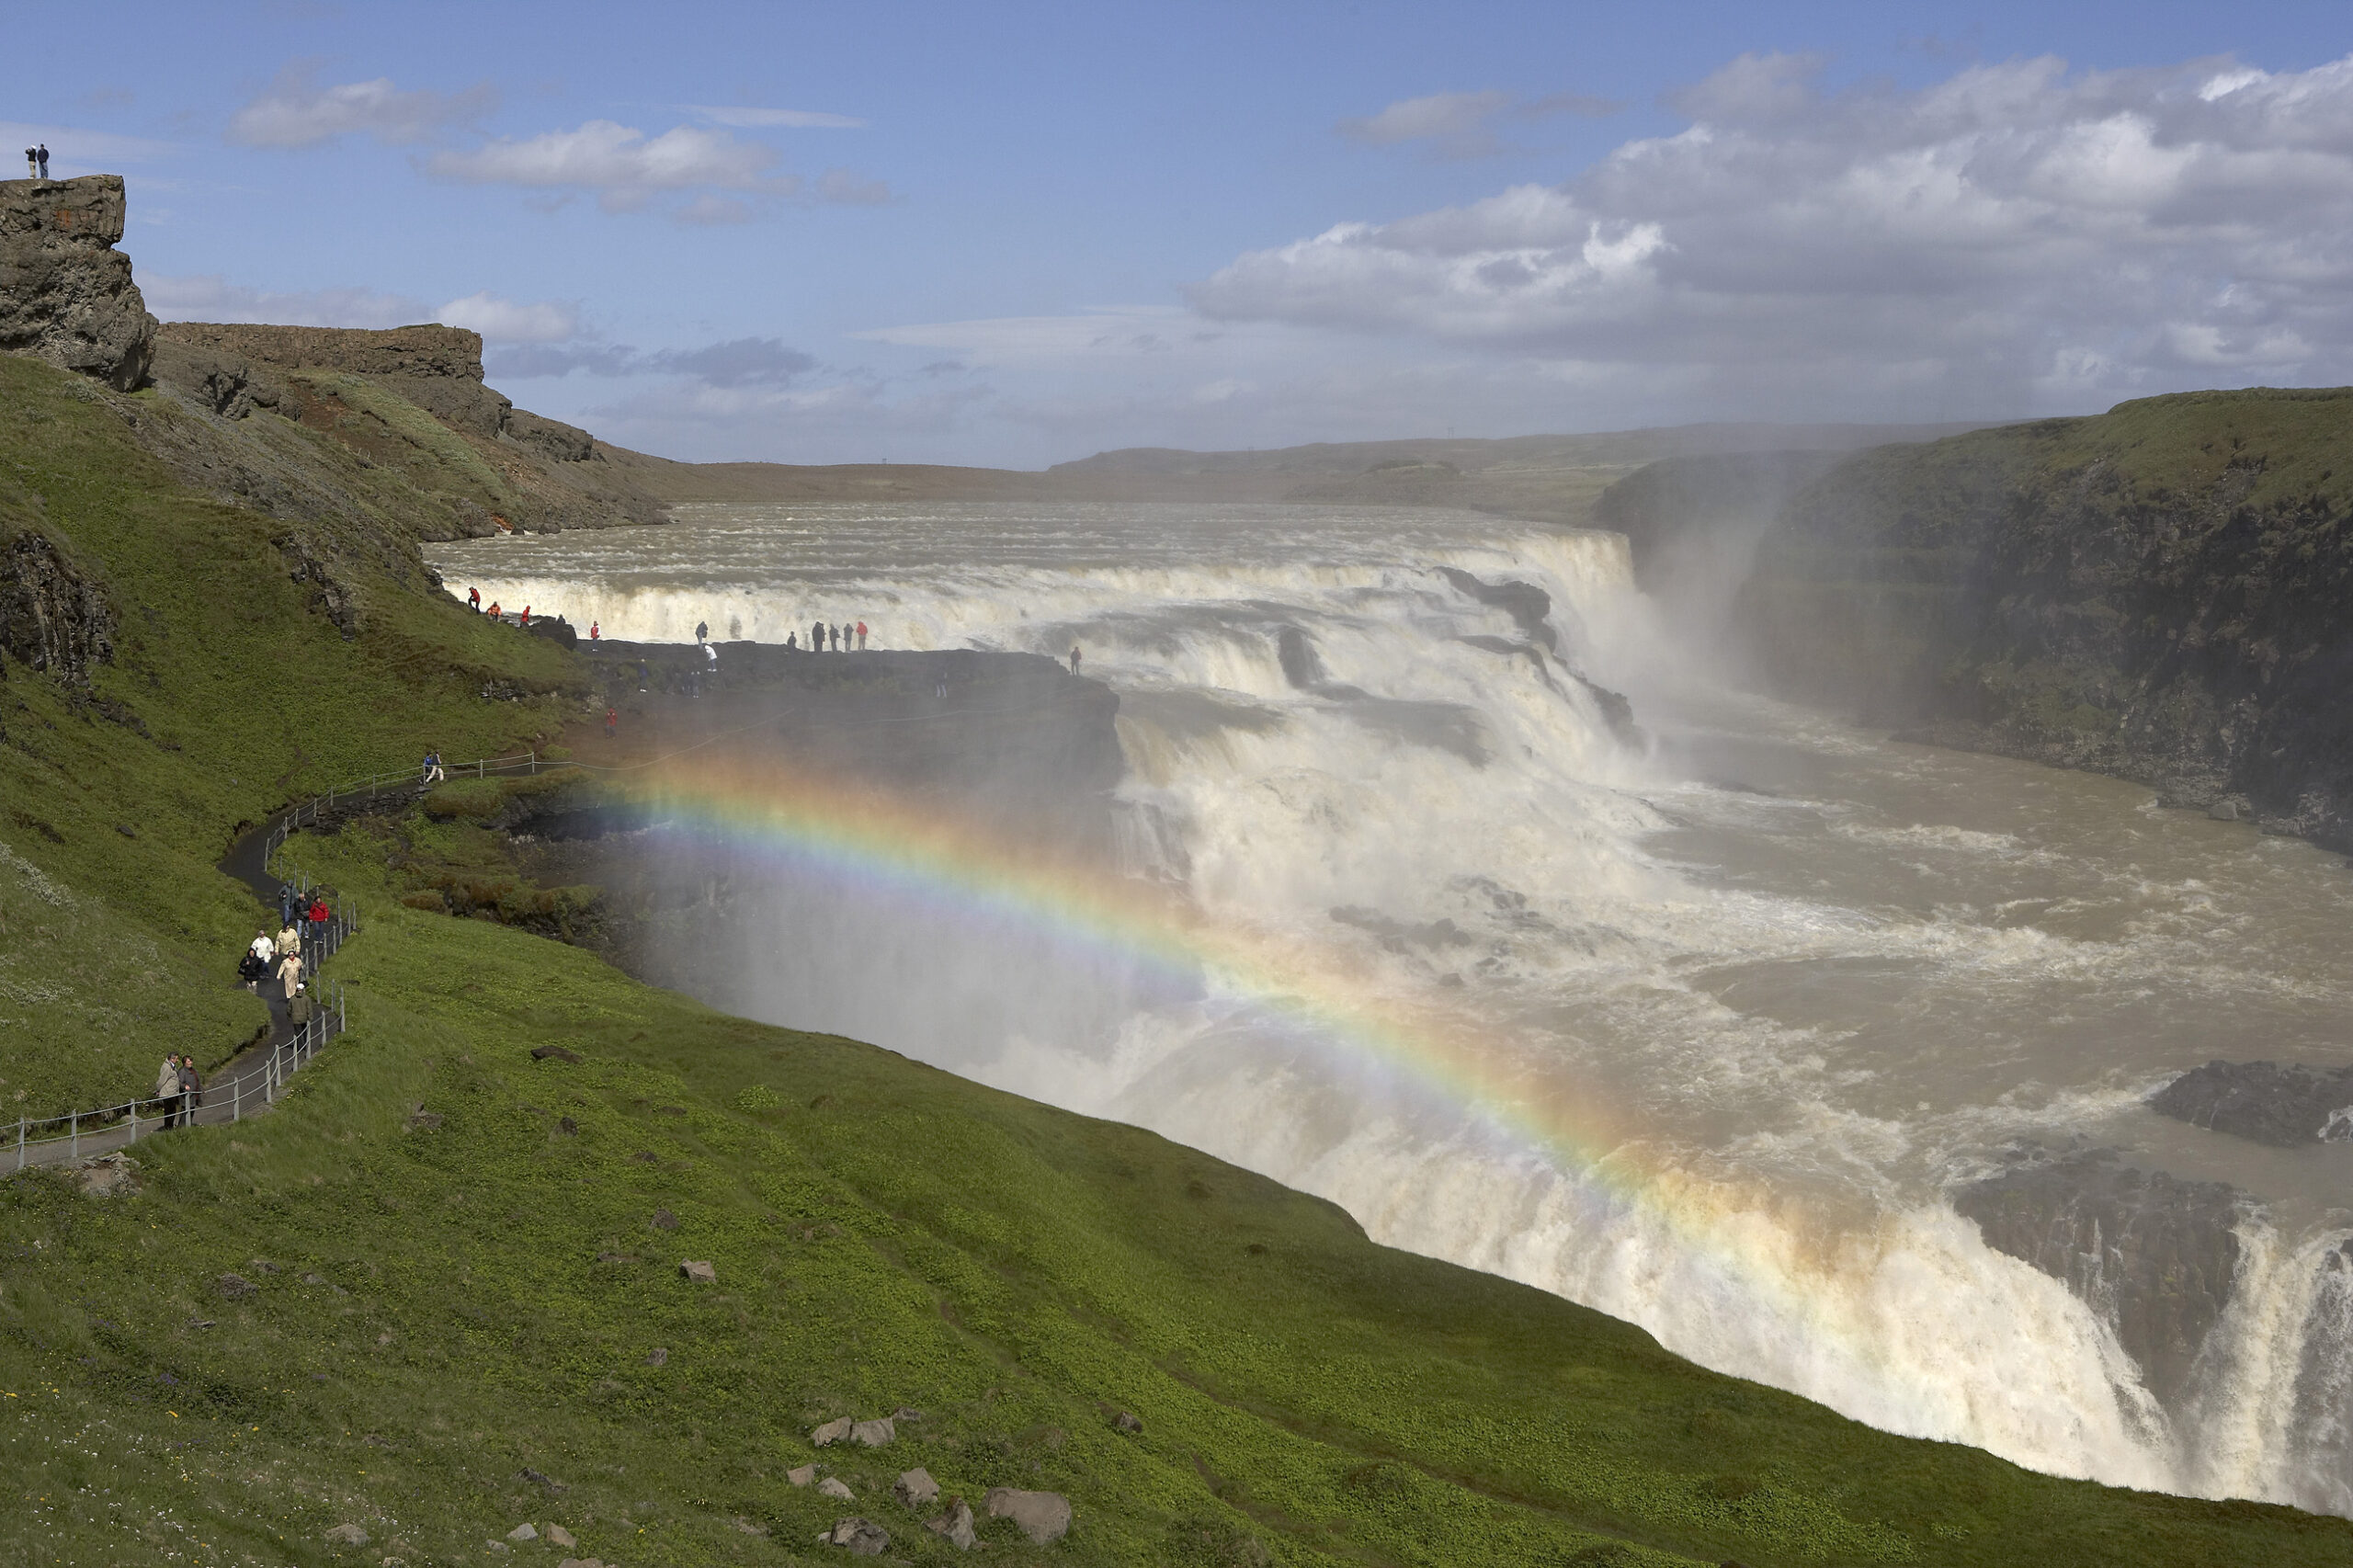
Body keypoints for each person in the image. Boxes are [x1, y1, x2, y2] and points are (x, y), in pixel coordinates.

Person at [156, 1054, 183, 1129]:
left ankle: (169, 1126)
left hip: (172, 1092)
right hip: (168, 1093)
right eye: (176, 1059)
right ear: (172, 1059)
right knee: (169, 1111)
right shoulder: (167, 1067)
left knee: (172, 1110)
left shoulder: (172, 1066)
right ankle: (168, 1127)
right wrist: (158, 1089)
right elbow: (162, 1079)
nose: (177, 1060)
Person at [177, 1056, 201, 1121]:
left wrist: (201, 1089)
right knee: (185, 1115)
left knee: (191, 1113)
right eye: (189, 1061)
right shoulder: (182, 1071)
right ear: (184, 1063)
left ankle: (188, 1127)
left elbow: (197, 1080)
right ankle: (182, 1129)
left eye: (191, 1061)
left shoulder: (193, 1070)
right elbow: (179, 1082)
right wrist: (184, 1086)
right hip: (186, 1097)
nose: (191, 1063)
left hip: (193, 1096)